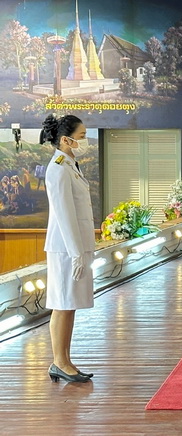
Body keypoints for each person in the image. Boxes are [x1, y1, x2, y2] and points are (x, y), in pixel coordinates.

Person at [40, 114, 96, 383]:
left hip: (75, 246)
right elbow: (64, 215)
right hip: (65, 248)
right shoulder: (58, 168)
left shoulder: (70, 165)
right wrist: (75, 253)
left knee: (69, 304)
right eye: (82, 136)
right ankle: (59, 362)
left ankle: (65, 359)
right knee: (62, 303)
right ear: (65, 139)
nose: (86, 141)